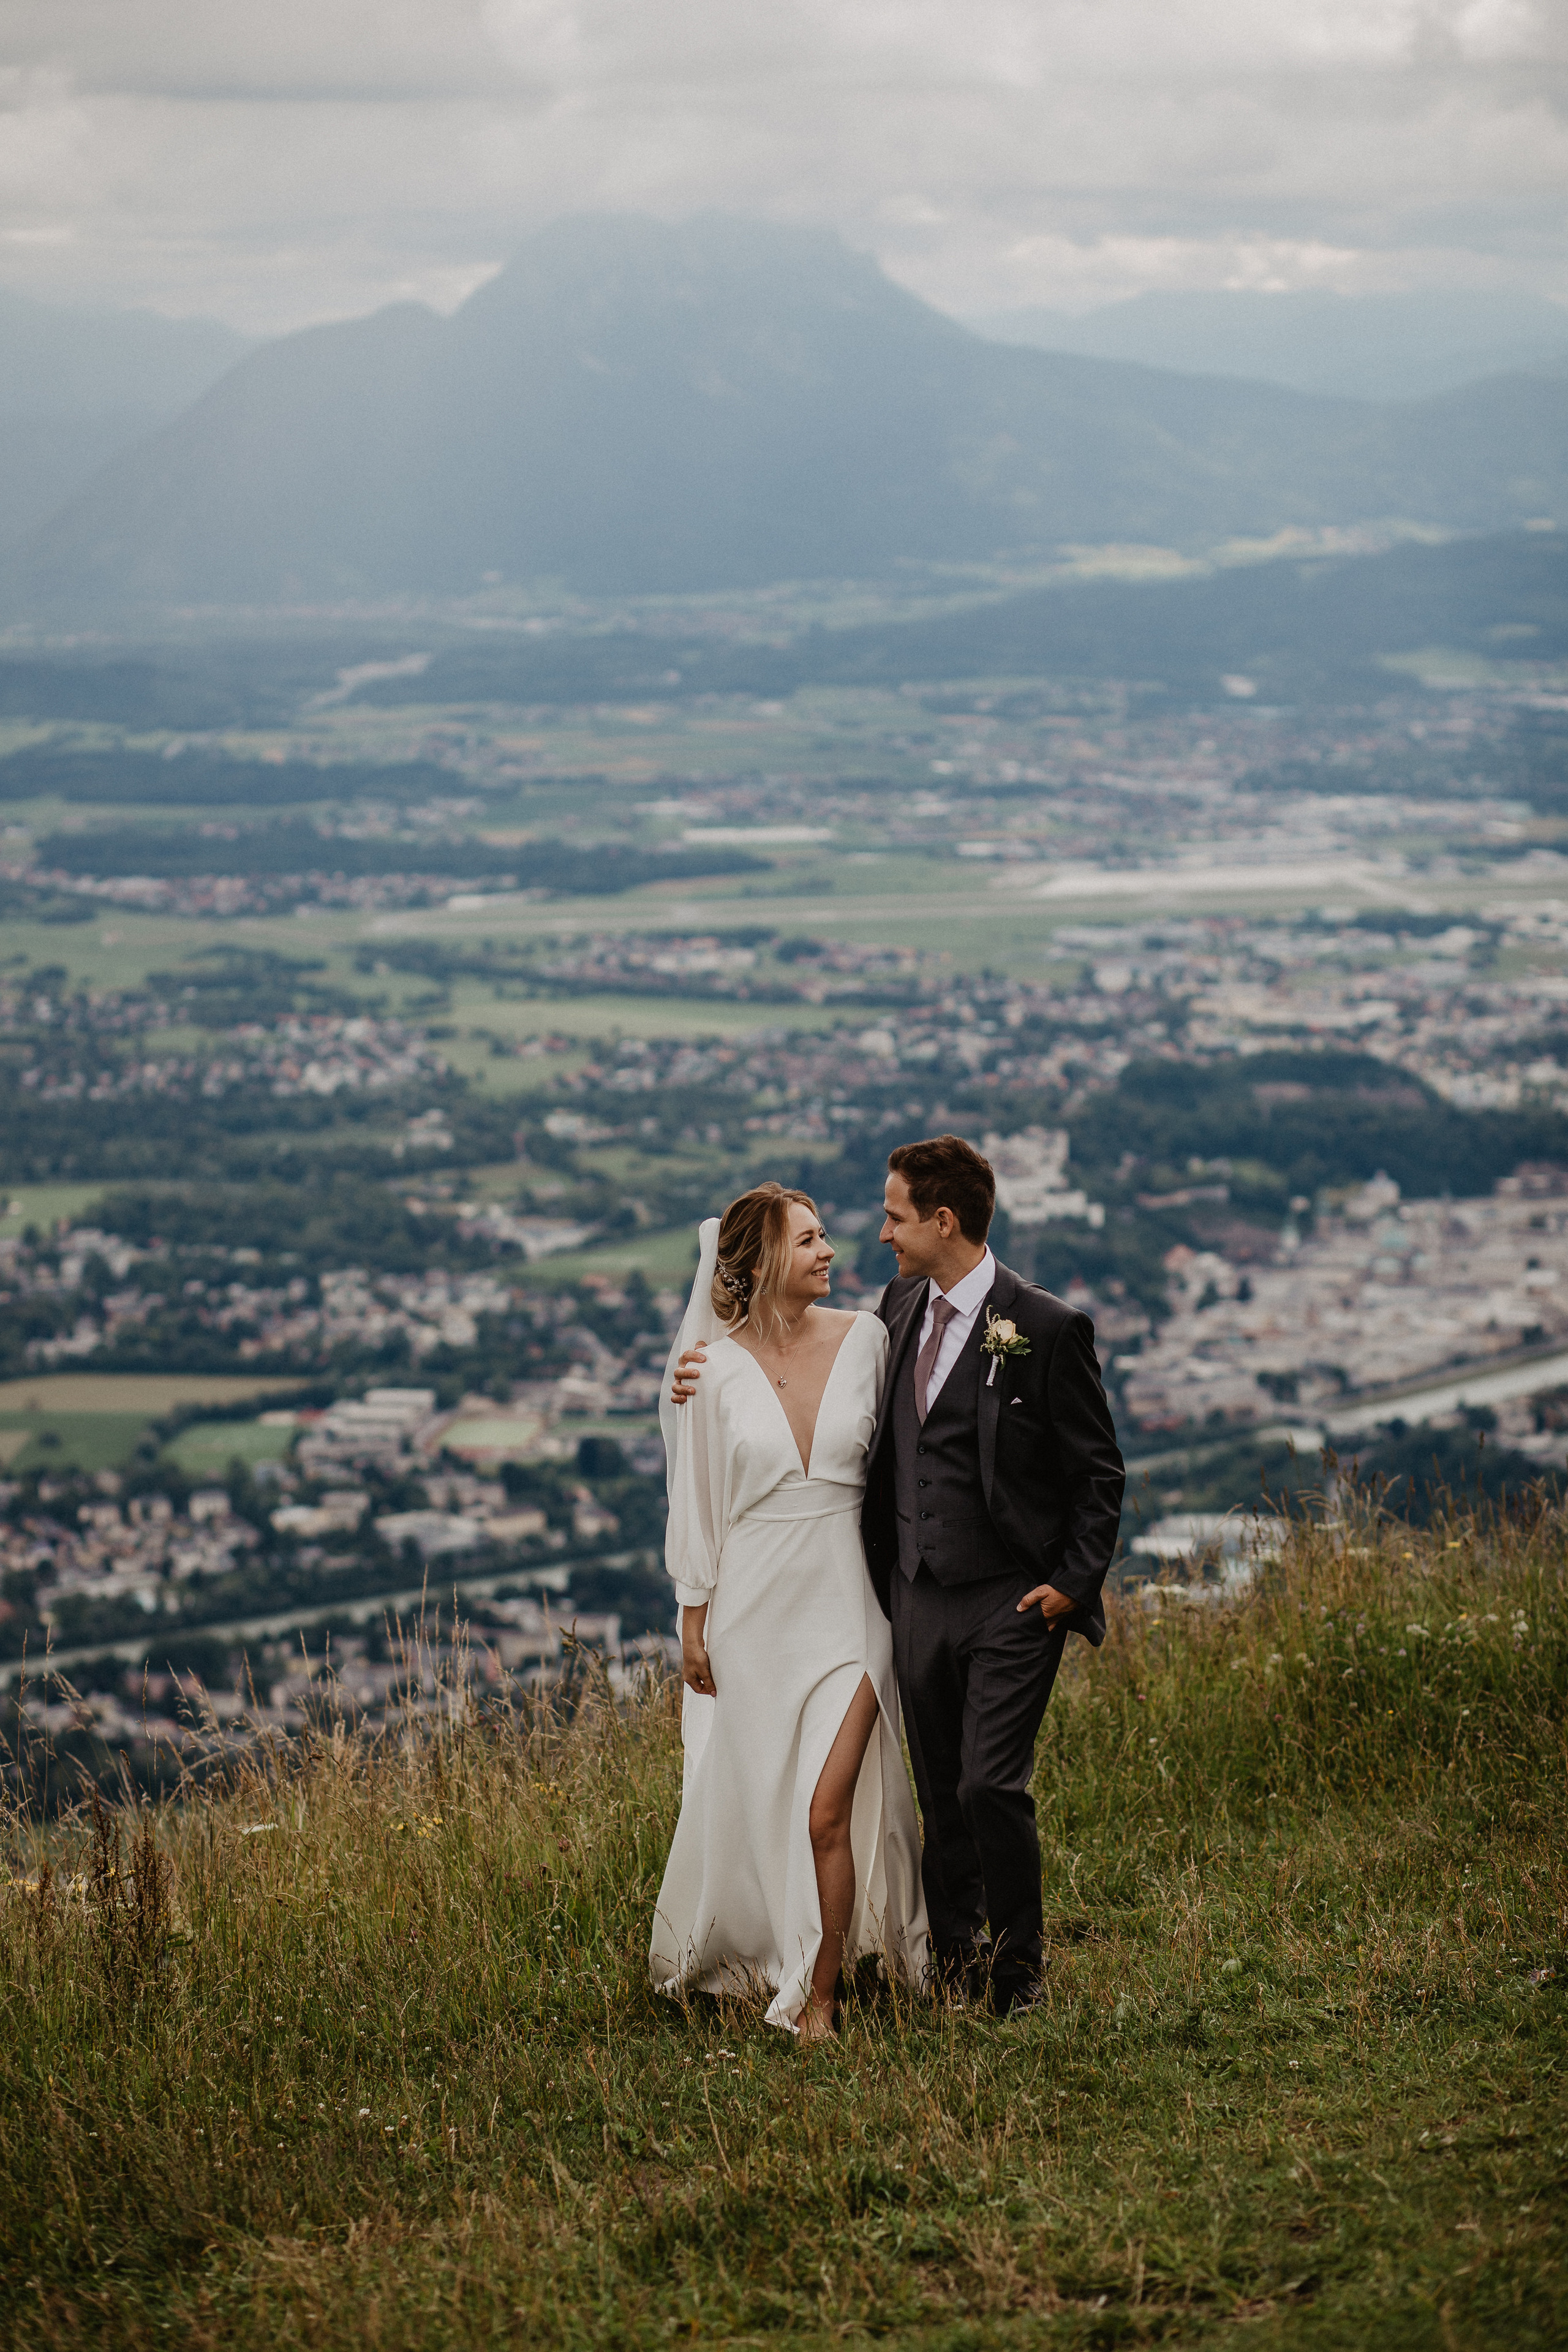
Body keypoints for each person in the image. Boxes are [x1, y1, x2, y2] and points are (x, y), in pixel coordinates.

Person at [673, 1134, 1125, 2016]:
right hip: (908, 1599)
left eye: (894, 1215)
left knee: (988, 1783)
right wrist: (702, 1364)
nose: (877, 1234)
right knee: (939, 1793)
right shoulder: (898, 1309)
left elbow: (1098, 1471)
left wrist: (1075, 1581)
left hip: (1003, 1599)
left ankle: (1018, 1974)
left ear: (942, 1220)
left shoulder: (1041, 1325)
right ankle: (951, 1963)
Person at [649, 1183, 928, 2044]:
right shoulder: (711, 1369)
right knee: (767, 1799)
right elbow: (697, 1502)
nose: (829, 1251)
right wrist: (693, 1621)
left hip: (853, 1606)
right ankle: (772, 1945)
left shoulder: (868, 1339)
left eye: (823, 1236)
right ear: (764, 1260)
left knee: (825, 1809)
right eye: (808, 1240)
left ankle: (822, 1997)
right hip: (753, 1612)